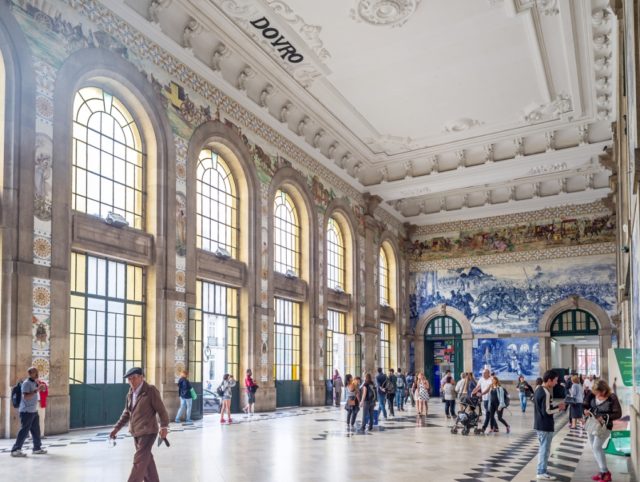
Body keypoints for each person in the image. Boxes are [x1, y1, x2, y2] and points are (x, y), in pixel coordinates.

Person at [110, 367, 169, 482]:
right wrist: (116, 428)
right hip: (136, 432)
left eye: (134, 378)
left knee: (139, 461)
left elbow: (162, 410)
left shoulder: (150, 391)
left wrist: (164, 426)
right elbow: (126, 413)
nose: (131, 381)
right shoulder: (130, 393)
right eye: (129, 379)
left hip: (148, 432)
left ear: (142, 377)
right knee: (147, 461)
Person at [583, 380, 622, 482]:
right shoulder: (592, 394)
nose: (596, 394)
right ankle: (603, 472)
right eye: (595, 392)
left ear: (604, 390)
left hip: (605, 426)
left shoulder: (612, 397)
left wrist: (604, 417)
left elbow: (618, 414)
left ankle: (605, 473)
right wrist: (585, 410)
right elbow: (585, 404)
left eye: (598, 392)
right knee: (594, 448)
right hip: (591, 424)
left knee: (597, 447)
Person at [534, 370, 566, 480]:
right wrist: (559, 408)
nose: (556, 383)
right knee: (545, 449)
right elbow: (547, 411)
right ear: (549, 380)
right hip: (545, 425)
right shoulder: (546, 392)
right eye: (555, 381)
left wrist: (556, 406)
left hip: (539, 424)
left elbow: (543, 407)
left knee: (543, 448)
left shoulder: (538, 389)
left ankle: (542, 469)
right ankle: (541, 472)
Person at [10, 367, 48, 457]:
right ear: (30, 373)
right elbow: (26, 397)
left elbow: (37, 392)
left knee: (36, 431)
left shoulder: (35, 382)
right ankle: (15, 450)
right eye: (35, 372)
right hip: (26, 411)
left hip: (33, 411)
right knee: (24, 431)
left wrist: (41, 388)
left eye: (37, 372)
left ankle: (37, 448)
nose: (37, 374)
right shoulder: (26, 383)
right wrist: (37, 390)